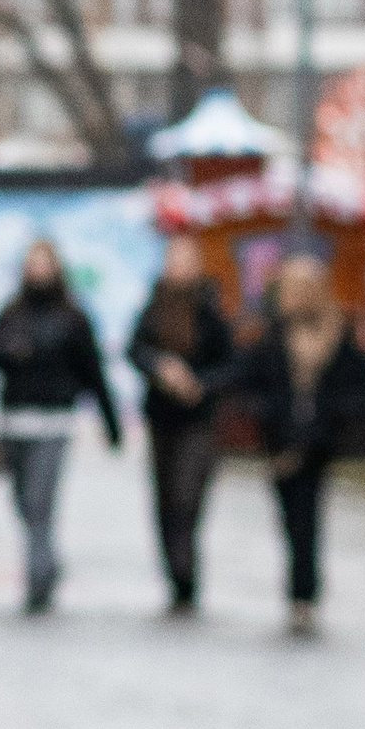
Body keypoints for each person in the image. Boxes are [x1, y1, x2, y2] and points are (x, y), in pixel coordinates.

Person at [222, 250, 365, 636]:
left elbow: (364, 384)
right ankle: (300, 588)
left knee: (308, 515)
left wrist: (337, 416)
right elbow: (249, 380)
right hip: (281, 441)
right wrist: (265, 415)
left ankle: (303, 592)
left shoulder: (337, 330)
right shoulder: (272, 333)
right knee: (290, 517)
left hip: (318, 440)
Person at [0, 237, 122, 612]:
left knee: (40, 503)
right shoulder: (10, 313)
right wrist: (11, 354)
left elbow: (93, 371)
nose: (39, 269)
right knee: (23, 502)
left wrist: (111, 422)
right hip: (14, 421)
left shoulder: (73, 317)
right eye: (34, 262)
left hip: (54, 423)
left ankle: (37, 580)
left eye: (45, 262)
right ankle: (48, 561)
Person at [124, 232, 235, 614]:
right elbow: (134, 349)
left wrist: (198, 384)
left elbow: (230, 364)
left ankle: (186, 574)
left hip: (198, 420)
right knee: (165, 500)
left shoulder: (210, 310)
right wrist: (160, 367)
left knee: (187, 497)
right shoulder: (154, 306)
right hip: (161, 418)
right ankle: (174, 575)